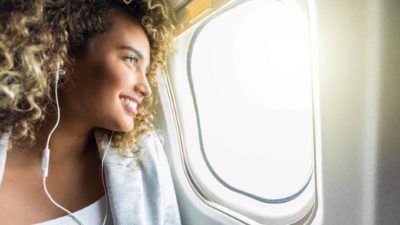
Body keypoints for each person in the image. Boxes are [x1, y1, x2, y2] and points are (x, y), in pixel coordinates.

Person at [0, 0, 181, 224]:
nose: (146, 88)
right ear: (62, 54)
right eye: (131, 59)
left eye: (146, 71)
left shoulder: (143, 157)